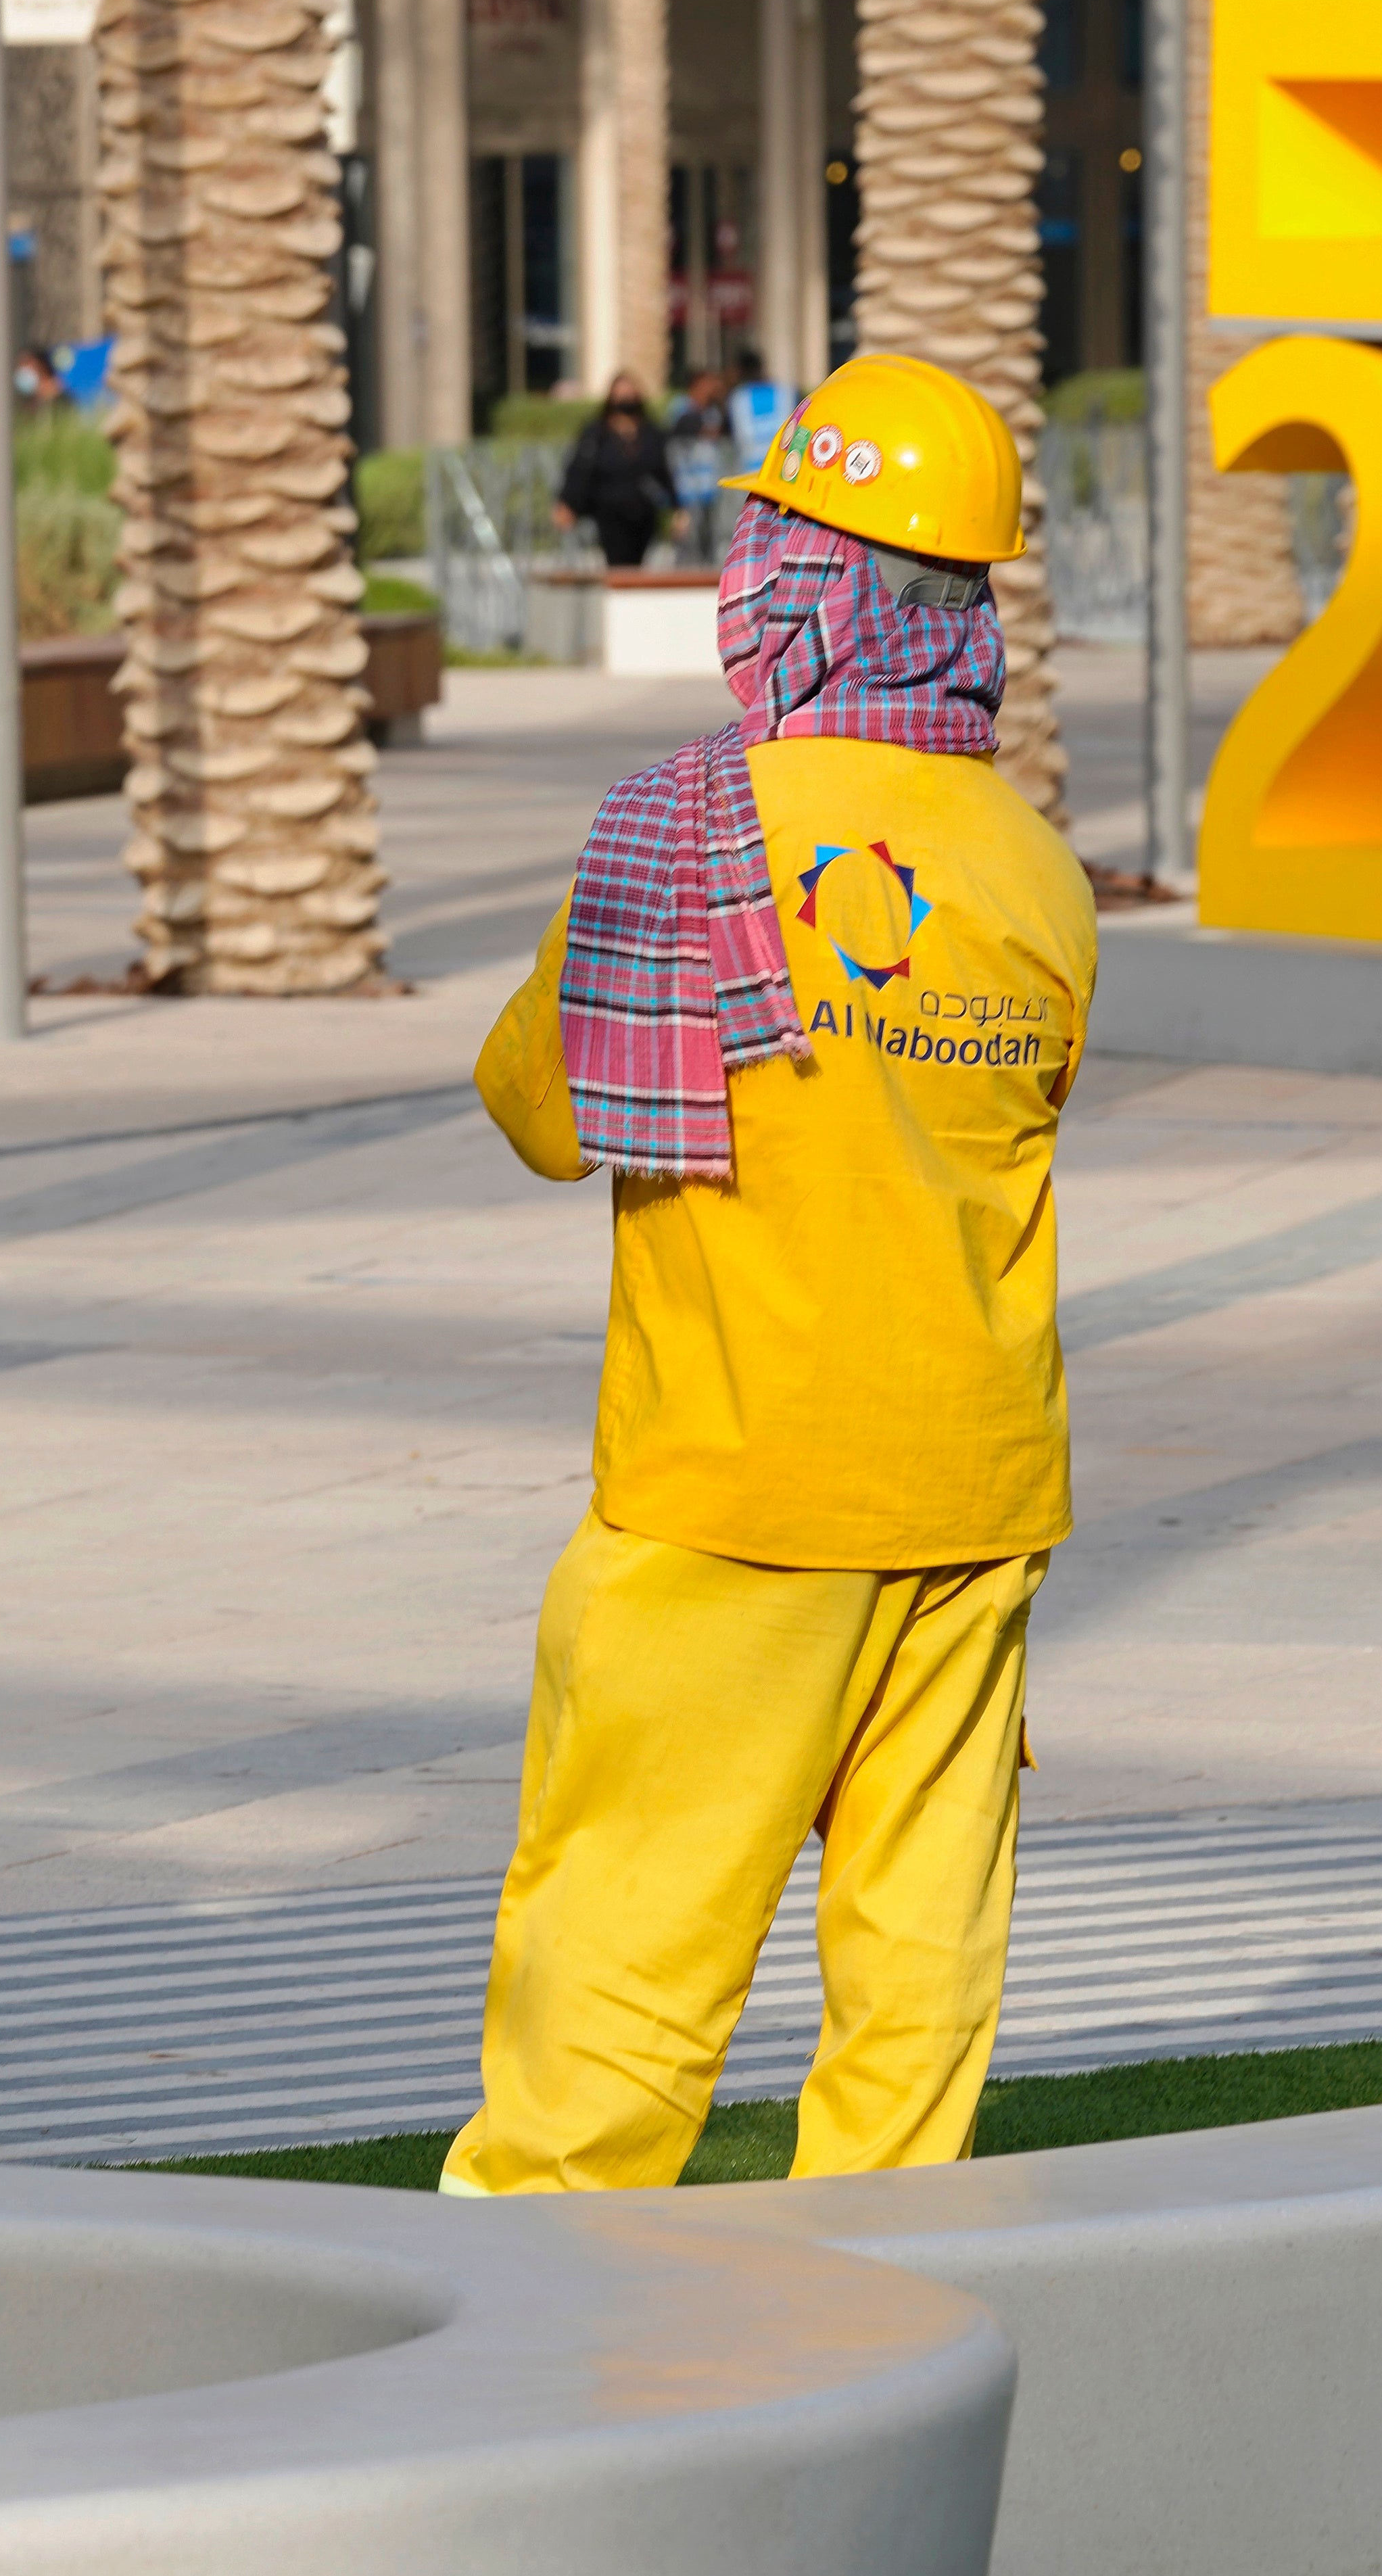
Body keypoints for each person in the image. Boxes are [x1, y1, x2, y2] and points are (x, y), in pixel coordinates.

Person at [446, 351, 1095, 2195]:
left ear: (793, 577)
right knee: (919, 1969)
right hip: (975, 1494)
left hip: (734, 1495)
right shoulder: (1039, 876)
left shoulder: (679, 835)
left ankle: (535, 2315)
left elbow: (543, 1110)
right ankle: (876, 2317)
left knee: (629, 1956)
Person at [554, 374, 677, 570]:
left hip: (643, 512)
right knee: (617, 564)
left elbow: (664, 472)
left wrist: (676, 508)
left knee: (638, 566)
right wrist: (568, 502)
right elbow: (580, 470)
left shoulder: (652, 433)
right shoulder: (596, 434)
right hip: (608, 512)